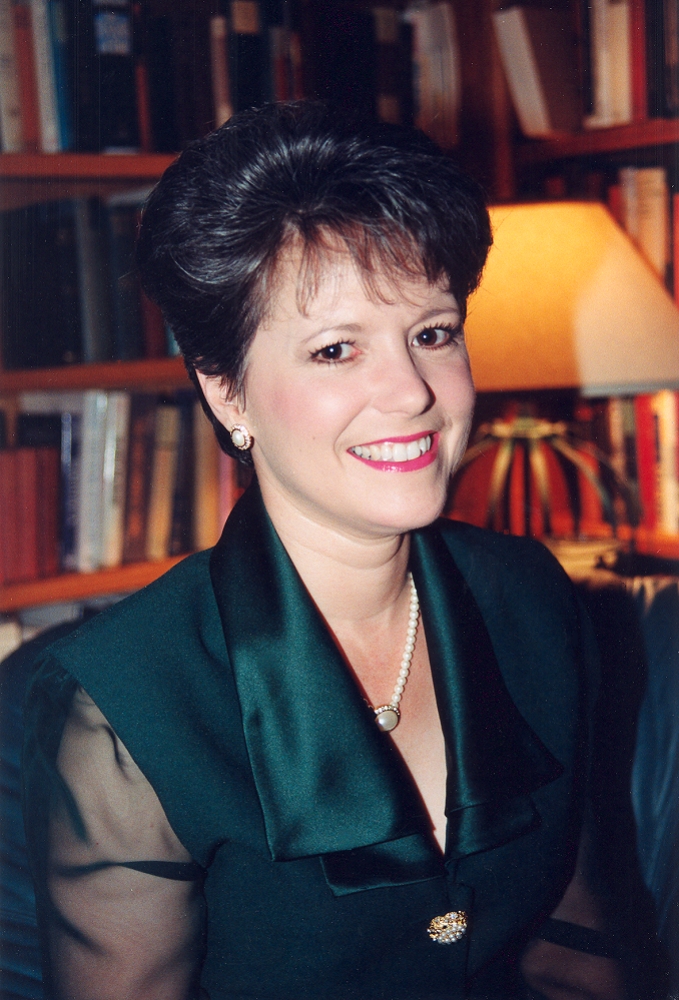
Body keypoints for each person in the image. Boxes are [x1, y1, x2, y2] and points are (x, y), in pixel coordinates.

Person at [22, 102, 624, 1000]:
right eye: (336, 349)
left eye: (432, 333)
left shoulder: (528, 591)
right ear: (226, 393)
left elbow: (577, 936)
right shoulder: (123, 706)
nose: (410, 392)